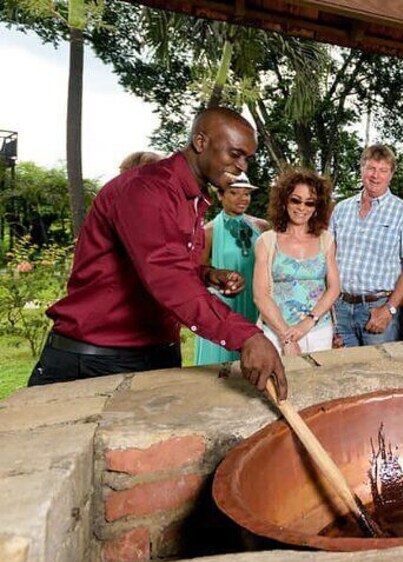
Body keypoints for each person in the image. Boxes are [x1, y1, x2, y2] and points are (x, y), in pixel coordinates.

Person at [29, 107, 286, 397]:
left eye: (247, 158)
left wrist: (206, 274)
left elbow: (163, 263)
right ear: (200, 142)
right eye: (235, 154)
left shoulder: (191, 199)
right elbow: (168, 278)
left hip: (157, 353)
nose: (242, 167)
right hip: (97, 358)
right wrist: (247, 335)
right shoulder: (145, 189)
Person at [329, 144, 403, 346]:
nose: (375, 176)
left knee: (382, 374)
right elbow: (328, 259)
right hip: (341, 308)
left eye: (383, 170)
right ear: (361, 169)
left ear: (391, 175)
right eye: (371, 168)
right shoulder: (341, 210)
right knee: (342, 374)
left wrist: (390, 309)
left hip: (378, 308)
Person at [254, 169, 339, 355]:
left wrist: (309, 321)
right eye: (296, 200)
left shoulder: (326, 240)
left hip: (318, 331)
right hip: (275, 332)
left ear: (317, 207)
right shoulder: (267, 241)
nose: (302, 208)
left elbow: (333, 288)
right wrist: (286, 337)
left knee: (318, 383)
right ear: (284, 201)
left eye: (310, 203)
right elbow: (260, 295)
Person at [194, 173, 269, 365]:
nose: (242, 198)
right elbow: (198, 273)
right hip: (223, 306)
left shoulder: (262, 226)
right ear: (220, 195)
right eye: (234, 193)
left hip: (255, 302)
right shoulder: (208, 231)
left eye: (246, 193)